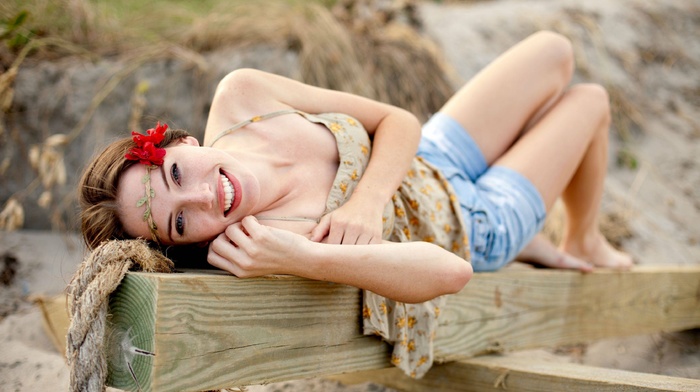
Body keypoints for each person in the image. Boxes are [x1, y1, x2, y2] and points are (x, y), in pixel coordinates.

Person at [79, 31, 633, 303]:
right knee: (590, 102)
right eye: (180, 222)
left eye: (176, 174)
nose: (203, 198)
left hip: (428, 157)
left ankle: (569, 236)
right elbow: (450, 274)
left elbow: (398, 120)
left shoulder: (243, 95)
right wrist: (308, 256)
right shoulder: (266, 241)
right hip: (472, 222)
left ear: (184, 142)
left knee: (554, 51)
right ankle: (576, 239)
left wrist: (367, 201)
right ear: (189, 242)